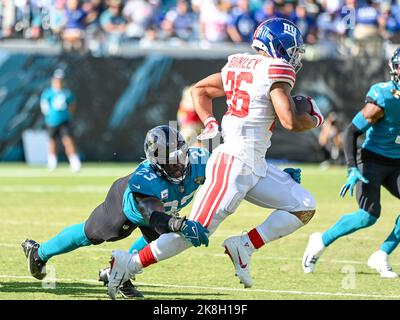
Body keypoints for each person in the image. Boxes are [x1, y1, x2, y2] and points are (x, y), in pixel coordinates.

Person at [107, 18, 324, 299]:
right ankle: (129, 265)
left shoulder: (240, 63)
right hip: (233, 162)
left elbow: (200, 90)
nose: (294, 56)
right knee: (194, 231)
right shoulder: (277, 69)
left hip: (254, 164)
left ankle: (244, 246)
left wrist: (210, 122)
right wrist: (315, 118)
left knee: (303, 205)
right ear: (278, 46)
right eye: (292, 49)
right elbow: (291, 122)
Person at [21, 125, 210, 298]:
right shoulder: (146, 178)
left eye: (181, 156)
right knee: (90, 234)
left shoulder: (200, 160)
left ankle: (118, 273)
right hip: (127, 206)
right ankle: (40, 253)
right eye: (171, 161)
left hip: (160, 213)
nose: (179, 165)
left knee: (164, 240)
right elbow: (152, 215)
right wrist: (177, 223)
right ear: (157, 164)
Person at [302, 48, 400, 279]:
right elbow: (351, 132)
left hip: (397, 163)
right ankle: (320, 240)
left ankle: (382, 254)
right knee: (368, 215)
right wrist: (351, 167)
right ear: (395, 70)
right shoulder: (383, 97)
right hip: (372, 160)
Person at [40, 69, 81, 172]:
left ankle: (74, 161)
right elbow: (44, 106)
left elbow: (72, 104)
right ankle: (52, 162)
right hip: (51, 122)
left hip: (64, 121)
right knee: (52, 141)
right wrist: (49, 115)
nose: (59, 82)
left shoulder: (67, 93)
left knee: (68, 141)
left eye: (60, 80)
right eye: (57, 80)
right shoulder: (48, 93)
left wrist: (68, 114)